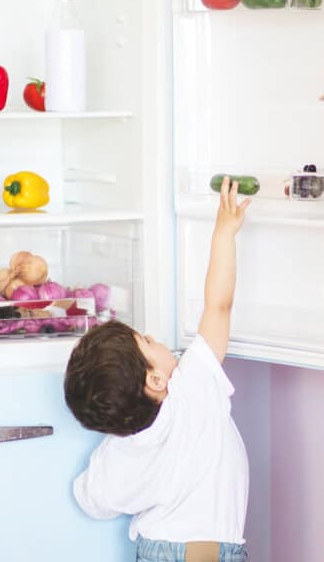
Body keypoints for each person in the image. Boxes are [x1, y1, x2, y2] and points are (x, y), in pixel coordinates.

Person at [64, 177, 251, 562]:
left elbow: (91, 499)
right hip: (217, 552)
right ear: (156, 379)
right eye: (148, 341)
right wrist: (224, 232)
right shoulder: (192, 386)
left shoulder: (122, 449)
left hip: (155, 551)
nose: (155, 338)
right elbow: (218, 305)